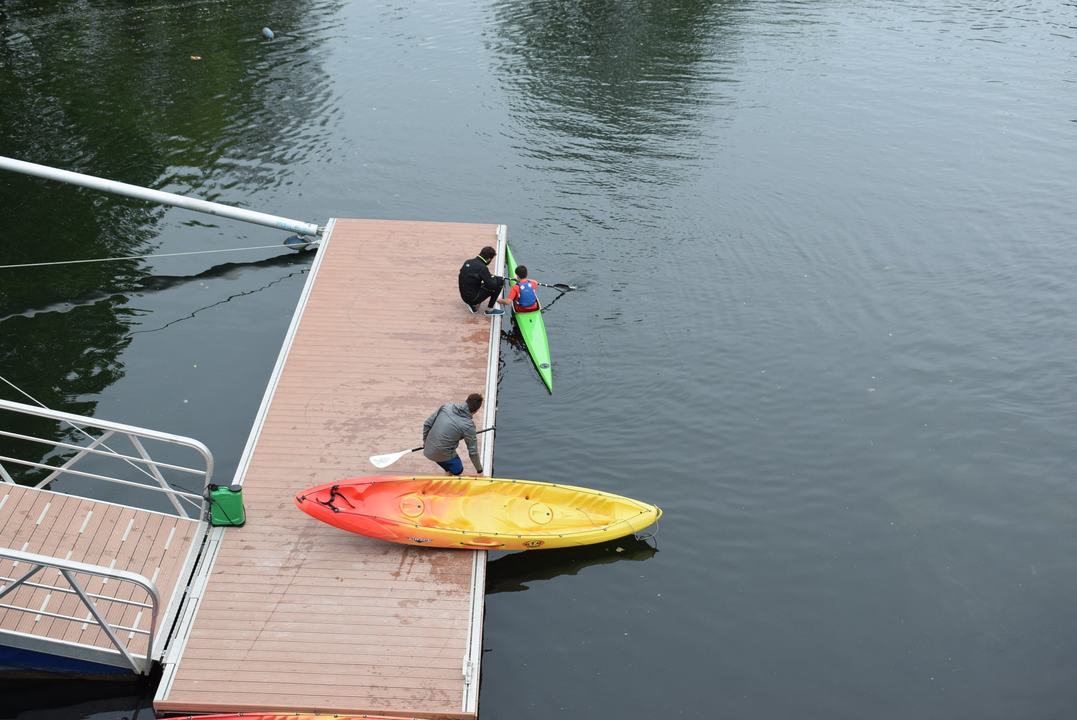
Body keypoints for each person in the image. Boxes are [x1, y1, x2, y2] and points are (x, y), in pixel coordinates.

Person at [422, 393, 485, 476]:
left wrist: (425, 440)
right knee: (460, 474)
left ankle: (447, 479)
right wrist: (479, 471)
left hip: (429, 450)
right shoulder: (468, 426)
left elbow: (427, 423)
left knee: (448, 469)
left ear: (465, 401)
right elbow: (473, 452)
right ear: (477, 410)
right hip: (445, 454)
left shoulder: (446, 407)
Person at [459, 246, 505, 316]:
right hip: (472, 298)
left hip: (464, 296)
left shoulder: (468, 261)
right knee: (500, 281)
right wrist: (493, 277)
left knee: (473, 282)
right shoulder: (482, 268)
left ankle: (474, 305)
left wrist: (488, 276)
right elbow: (491, 285)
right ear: (488, 259)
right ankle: (489, 309)